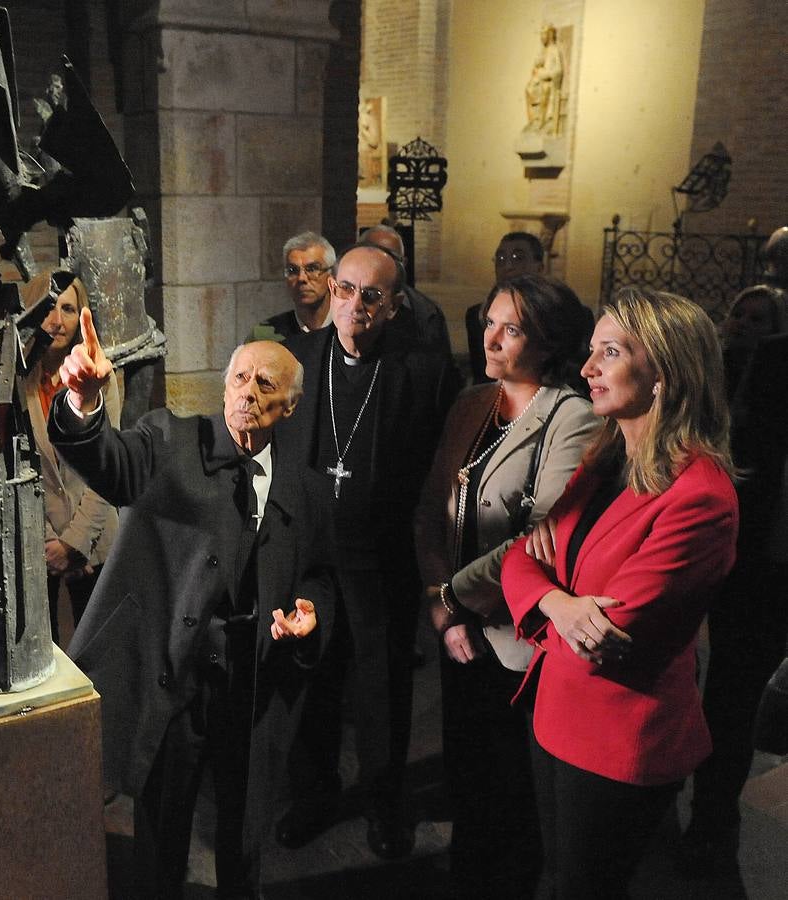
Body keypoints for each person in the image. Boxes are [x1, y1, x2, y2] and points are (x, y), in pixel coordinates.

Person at [49, 317, 336, 900]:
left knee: (244, 829)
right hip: (175, 681)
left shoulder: (306, 491)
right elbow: (108, 458)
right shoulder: (169, 440)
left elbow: (321, 576)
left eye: (264, 384)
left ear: (291, 403)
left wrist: (312, 614)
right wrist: (82, 401)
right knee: (162, 829)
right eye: (239, 378)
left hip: (252, 686)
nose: (248, 393)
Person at [502, 287, 739, 899]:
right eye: (590, 351)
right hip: (554, 712)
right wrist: (557, 600)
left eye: (610, 352)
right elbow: (517, 557)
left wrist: (543, 590)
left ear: (664, 370)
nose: (587, 370)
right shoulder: (608, 457)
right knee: (554, 879)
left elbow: (607, 637)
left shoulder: (701, 497)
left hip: (617, 736)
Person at [415, 275, 598, 898]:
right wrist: (444, 612)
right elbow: (429, 515)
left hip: (517, 642)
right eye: (489, 321)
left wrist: (454, 600)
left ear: (546, 343)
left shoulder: (570, 417)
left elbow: (538, 541)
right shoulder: (473, 402)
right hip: (458, 628)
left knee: (512, 799)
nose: (490, 337)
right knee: (467, 783)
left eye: (511, 329)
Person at [277, 243, 459, 858]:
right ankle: (314, 794)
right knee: (313, 680)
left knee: (382, 687)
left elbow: (441, 472)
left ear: (393, 307)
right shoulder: (297, 359)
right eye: (346, 290)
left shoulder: (424, 371)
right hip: (311, 558)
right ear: (332, 292)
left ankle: (384, 802)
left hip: (383, 561)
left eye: (371, 296)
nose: (354, 305)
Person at [681, 284, 788, 875]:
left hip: (769, 564)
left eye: (760, 317)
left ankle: (713, 812)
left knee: (739, 693)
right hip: (747, 560)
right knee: (726, 690)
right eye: (738, 313)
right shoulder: (732, 379)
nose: (746, 325)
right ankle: (709, 812)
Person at [18, 272, 118, 637]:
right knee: (44, 653)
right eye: (47, 307)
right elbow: (19, 464)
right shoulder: (18, 378)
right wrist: (49, 544)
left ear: (82, 316)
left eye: (68, 308)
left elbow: (108, 467)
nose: (57, 320)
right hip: (38, 542)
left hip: (94, 537)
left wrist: (74, 544)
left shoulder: (101, 374)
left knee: (98, 652)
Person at [465, 232, 546, 384]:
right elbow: (482, 376)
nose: (508, 266)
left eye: (517, 258)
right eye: (501, 259)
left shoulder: (571, 316)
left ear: (539, 267)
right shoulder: (476, 315)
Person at [360, 223, 452, 356]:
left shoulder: (427, 312)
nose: (383, 265)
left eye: (393, 258)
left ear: (404, 264)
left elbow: (441, 367)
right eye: (376, 256)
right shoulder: (343, 303)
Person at [246, 231, 334, 342]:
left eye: (312, 269)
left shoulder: (349, 330)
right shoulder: (265, 335)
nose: (301, 278)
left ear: (332, 276)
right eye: (292, 270)